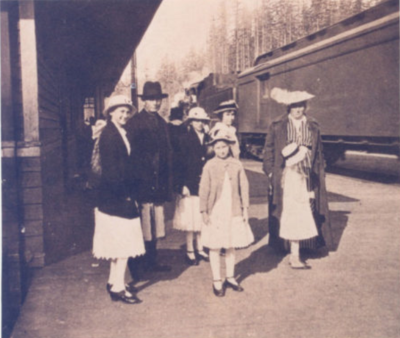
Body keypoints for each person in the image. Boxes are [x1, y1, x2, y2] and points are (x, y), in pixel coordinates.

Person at [262, 87, 332, 269]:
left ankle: (307, 246)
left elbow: (320, 151)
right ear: (288, 108)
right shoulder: (278, 125)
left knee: (309, 209)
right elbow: (269, 149)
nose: (298, 109)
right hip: (287, 175)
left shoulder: (312, 125)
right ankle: (288, 249)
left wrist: (321, 169)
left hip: (309, 174)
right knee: (290, 211)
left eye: (301, 106)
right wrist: (270, 171)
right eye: (294, 106)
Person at [92, 95, 144, 304]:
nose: (124, 115)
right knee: (124, 243)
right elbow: (113, 172)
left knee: (118, 244)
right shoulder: (109, 135)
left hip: (115, 196)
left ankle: (114, 281)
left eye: (126, 111)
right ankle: (119, 288)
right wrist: (128, 193)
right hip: (117, 196)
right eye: (119, 111)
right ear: (111, 112)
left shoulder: (119, 132)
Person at [199, 129, 254, 297]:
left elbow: (244, 187)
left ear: (229, 147)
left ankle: (230, 276)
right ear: (213, 149)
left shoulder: (237, 164)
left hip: (233, 209)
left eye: (224, 147)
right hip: (216, 210)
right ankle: (217, 280)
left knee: (230, 244)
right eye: (218, 147)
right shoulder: (209, 165)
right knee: (215, 246)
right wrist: (203, 210)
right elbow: (204, 189)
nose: (221, 150)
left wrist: (245, 209)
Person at [127, 81, 172, 275]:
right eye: (151, 100)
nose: (155, 103)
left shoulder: (162, 123)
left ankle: (152, 261)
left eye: (158, 100)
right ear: (144, 101)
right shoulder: (134, 123)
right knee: (141, 225)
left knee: (154, 225)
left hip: (157, 183)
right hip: (142, 182)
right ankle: (137, 267)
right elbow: (130, 156)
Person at [173, 107, 211, 265]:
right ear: (191, 122)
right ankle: (190, 249)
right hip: (190, 182)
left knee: (201, 217)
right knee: (190, 219)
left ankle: (200, 248)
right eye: (196, 121)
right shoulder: (184, 138)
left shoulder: (209, 138)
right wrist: (181, 184)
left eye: (202, 121)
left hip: (204, 183)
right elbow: (179, 163)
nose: (200, 124)